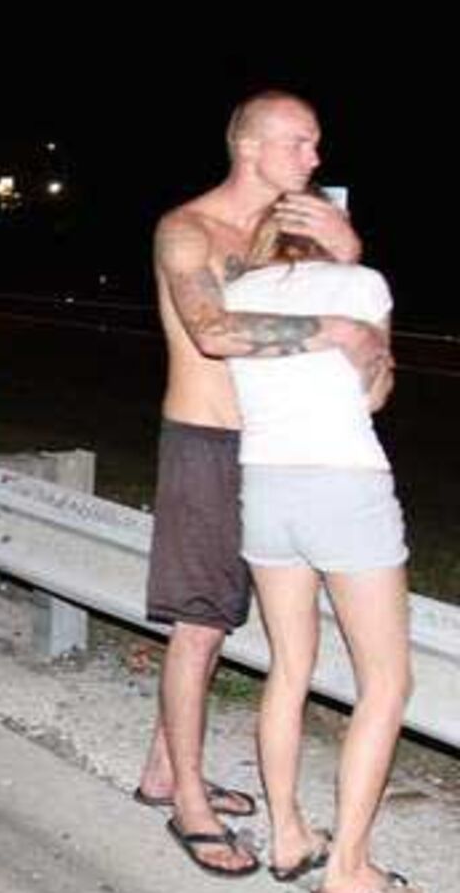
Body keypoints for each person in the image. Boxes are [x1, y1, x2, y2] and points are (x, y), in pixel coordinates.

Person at [136, 90, 388, 878]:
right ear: (251, 149)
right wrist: (332, 328)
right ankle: (188, 807)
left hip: (281, 457)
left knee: (242, 626)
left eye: (317, 144)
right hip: (209, 444)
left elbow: (368, 335)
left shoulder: (292, 234)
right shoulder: (189, 229)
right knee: (201, 625)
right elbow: (213, 332)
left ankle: (162, 767)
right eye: (300, 143)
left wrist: (347, 255)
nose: (315, 159)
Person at [228, 205, 414, 893]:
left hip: (267, 488)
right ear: (333, 228)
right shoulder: (363, 285)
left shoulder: (238, 292)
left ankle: (287, 836)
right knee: (386, 682)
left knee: (289, 667)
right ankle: (349, 867)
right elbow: (373, 397)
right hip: (344, 485)